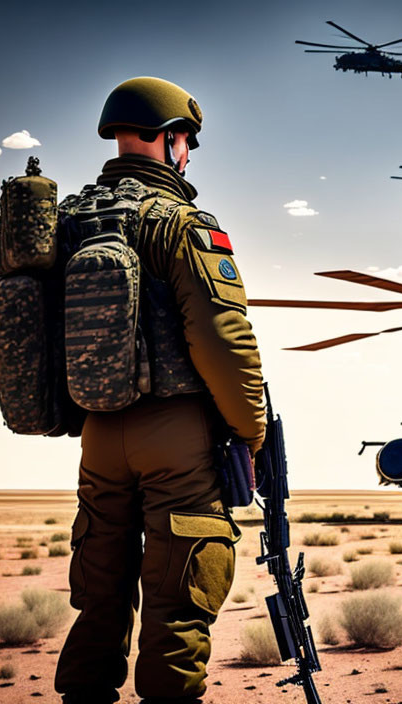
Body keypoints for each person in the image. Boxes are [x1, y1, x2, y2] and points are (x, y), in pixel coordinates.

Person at [54, 76, 266, 704]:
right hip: (176, 432)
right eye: (187, 142)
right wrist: (250, 431)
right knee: (178, 595)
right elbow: (223, 338)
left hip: (98, 432)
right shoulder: (182, 224)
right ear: (170, 139)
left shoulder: (70, 221)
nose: (190, 154)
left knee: (101, 590)